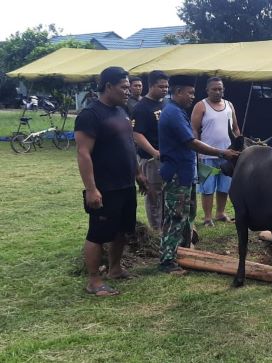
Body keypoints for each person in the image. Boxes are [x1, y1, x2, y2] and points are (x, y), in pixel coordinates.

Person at [74, 66, 148, 296]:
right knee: (97, 234)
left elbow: (128, 144)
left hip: (125, 184)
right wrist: (91, 189)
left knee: (122, 231)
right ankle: (94, 281)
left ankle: (115, 269)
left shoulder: (122, 110)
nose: (128, 91)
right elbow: (83, 154)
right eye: (124, 87)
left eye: (129, 87)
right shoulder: (90, 115)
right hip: (105, 187)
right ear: (108, 86)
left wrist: (137, 174)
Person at [158, 75, 239, 274]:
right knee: (175, 217)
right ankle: (167, 261)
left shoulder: (178, 111)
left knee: (186, 216)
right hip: (176, 173)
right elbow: (192, 142)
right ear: (177, 92)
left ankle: (184, 253)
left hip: (185, 172)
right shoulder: (173, 113)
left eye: (193, 93)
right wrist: (222, 152)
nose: (192, 97)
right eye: (189, 93)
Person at [191, 77, 241, 226]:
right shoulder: (201, 106)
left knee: (224, 186)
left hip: (228, 154)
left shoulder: (229, 105)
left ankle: (220, 213)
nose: (218, 92)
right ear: (207, 90)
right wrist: (198, 150)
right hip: (207, 154)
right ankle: (207, 217)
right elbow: (194, 129)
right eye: (214, 89)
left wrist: (239, 144)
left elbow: (235, 128)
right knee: (207, 187)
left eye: (220, 89)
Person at [132, 70, 170, 231]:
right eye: (161, 86)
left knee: (168, 194)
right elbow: (136, 134)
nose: (165, 89)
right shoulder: (141, 107)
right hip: (151, 159)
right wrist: (154, 152)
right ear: (151, 86)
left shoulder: (166, 103)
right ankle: (156, 230)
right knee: (154, 195)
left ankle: (167, 227)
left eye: (167, 86)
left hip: (168, 157)